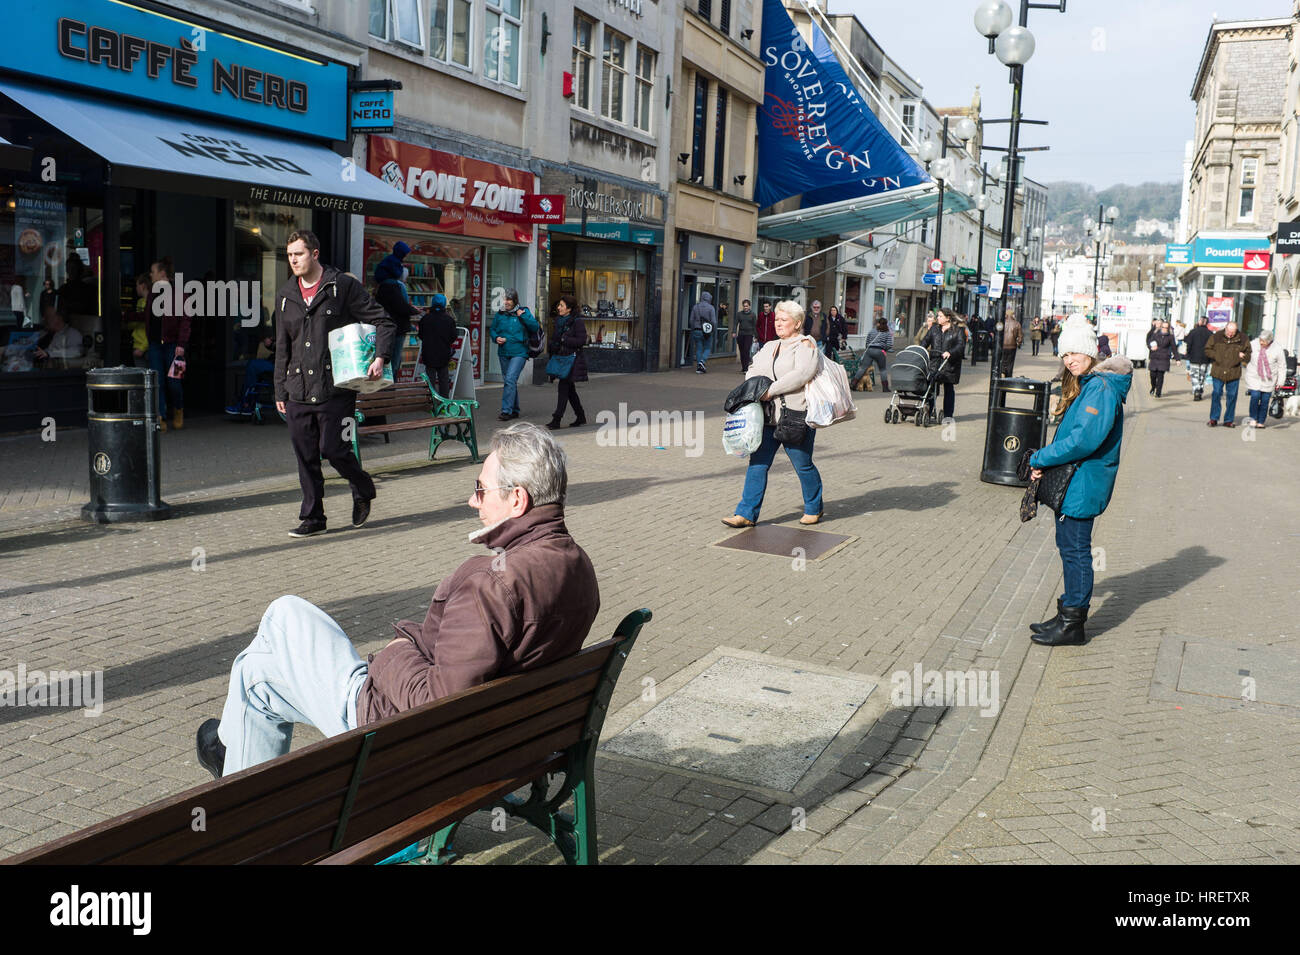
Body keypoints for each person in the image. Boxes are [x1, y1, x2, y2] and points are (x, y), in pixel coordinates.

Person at [194, 422, 600, 778]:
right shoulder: (578, 565)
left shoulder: (491, 586)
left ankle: (230, 765)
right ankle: (228, 754)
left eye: (480, 488)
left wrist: (394, 652)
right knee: (256, 676)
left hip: (403, 736)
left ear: (517, 499)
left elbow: (437, 704)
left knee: (284, 614)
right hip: (504, 738)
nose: (472, 501)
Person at [273, 229, 395, 538]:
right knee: (306, 456)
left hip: (335, 388)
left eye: (298, 254)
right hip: (297, 389)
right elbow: (282, 346)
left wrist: (380, 356)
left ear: (314, 254)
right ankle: (313, 517)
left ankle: (363, 487)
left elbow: (383, 320)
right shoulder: (286, 295)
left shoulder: (342, 286)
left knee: (334, 449)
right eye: (289, 255)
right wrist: (279, 389)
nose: (293, 260)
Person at [1027, 315, 1132, 647]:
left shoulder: (1100, 389)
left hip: (1083, 484)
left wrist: (1040, 458)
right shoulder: (1091, 384)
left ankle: (1073, 625)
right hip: (1075, 482)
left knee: (1075, 551)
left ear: (1091, 352)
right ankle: (1066, 614)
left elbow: (1083, 442)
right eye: (1065, 355)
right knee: (1068, 548)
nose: (1070, 360)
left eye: (1075, 353)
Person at [722, 299, 824, 528]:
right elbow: (753, 370)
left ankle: (814, 507)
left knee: (802, 464)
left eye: (783, 320)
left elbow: (801, 375)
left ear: (797, 323)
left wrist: (770, 390)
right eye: (776, 319)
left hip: (795, 415)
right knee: (757, 463)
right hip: (766, 416)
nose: (778, 323)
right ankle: (746, 513)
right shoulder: (769, 346)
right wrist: (756, 388)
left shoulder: (806, 344)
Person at [146, 257, 190, 431]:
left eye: (153, 271)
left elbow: (186, 320)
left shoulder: (179, 293)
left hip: (174, 345)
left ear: (162, 274)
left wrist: (182, 343)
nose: (150, 275)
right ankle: (160, 416)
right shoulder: (152, 293)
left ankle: (178, 408)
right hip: (155, 344)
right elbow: (149, 317)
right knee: (158, 382)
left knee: (174, 382)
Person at [490, 288, 539, 420]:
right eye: (504, 299)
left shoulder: (524, 311)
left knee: (510, 379)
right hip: (504, 351)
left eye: (508, 299)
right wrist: (496, 338)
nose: (506, 302)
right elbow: (493, 330)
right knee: (509, 381)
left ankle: (506, 411)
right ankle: (515, 410)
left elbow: (535, 327)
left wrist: (522, 315)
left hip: (520, 352)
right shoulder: (500, 314)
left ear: (514, 300)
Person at [373, 241, 421, 369]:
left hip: (389, 326)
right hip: (396, 327)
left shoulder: (383, 286)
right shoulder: (393, 286)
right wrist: (414, 310)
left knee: (392, 358)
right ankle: (391, 386)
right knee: (394, 360)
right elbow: (400, 306)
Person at [546, 294, 588, 429]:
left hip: (572, 360)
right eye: (559, 305)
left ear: (569, 309)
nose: (558, 308)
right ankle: (581, 416)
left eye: (561, 306)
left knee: (563, 388)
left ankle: (556, 419)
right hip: (561, 359)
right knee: (570, 391)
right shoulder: (559, 321)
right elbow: (556, 339)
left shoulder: (577, 322)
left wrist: (565, 340)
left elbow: (582, 340)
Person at [1204, 320, 1251, 428]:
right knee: (1216, 393)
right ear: (1225, 329)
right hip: (1218, 370)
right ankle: (1213, 418)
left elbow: (1249, 355)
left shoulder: (1243, 338)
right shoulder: (1216, 336)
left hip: (1233, 371)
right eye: (1229, 332)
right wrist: (1217, 356)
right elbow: (1207, 350)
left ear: (1236, 330)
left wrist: (1243, 356)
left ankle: (1228, 420)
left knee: (1232, 396)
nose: (1230, 334)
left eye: (1233, 332)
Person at [922, 307, 966, 421]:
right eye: (938, 316)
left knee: (948, 389)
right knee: (931, 386)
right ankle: (928, 410)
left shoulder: (957, 331)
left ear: (948, 318)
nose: (938, 318)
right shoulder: (934, 329)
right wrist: (920, 351)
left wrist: (950, 352)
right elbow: (925, 341)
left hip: (949, 365)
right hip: (935, 363)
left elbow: (960, 346)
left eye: (940, 316)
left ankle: (948, 415)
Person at [1242, 329, 1285, 428]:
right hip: (1254, 376)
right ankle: (1253, 418)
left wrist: (1280, 381)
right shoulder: (1253, 344)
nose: (1261, 342)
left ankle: (1261, 421)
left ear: (1270, 341)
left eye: (1264, 341)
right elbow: (1245, 353)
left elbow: (1282, 366)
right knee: (1255, 396)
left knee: (1265, 400)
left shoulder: (1277, 349)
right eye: (1260, 340)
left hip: (1269, 378)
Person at [418, 292, 458, 397]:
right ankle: (443, 403)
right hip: (443, 353)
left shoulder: (425, 319)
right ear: (444, 304)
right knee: (443, 379)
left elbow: (420, 335)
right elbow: (453, 336)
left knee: (430, 379)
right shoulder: (449, 320)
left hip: (428, 353)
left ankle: (431, 401)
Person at [853, 316, 893, 391]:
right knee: (882, 370)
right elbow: (889, 345)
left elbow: (867, 342)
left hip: (870, 350)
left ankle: (853, 383)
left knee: (863, 368)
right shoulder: (887, 333)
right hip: (880, 351)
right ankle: (885, 387)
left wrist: (869, 348)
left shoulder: (872, 331)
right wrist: (884, 348)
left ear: (878, 324)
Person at [1145, 320, 1177, 398]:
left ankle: (1158, 392)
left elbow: (1174, 348)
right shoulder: (1156, 334)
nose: (1164, 329)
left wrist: (1177, 359)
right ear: (1161, 327)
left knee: (1160, 376)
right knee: (1152, 375)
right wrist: (1151, 347)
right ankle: (1153, 387)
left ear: (1168, 328)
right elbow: (1149, 342)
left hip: (1164, 358)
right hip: (1154, 357)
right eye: (1163, 327)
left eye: (1166, 327)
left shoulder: (1170, 337)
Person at [1184, 316, 1212, 401]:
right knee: (1202, 375)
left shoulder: (1193, 332)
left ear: (1199, 322)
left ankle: (1197, 389)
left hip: (1194, 357)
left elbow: (1188, 344)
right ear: (1207, 323)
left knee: (1195, 374)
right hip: (1205, 358)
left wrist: (1188, 354)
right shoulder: (1210, 333)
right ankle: (1200, 388)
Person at [689, 291, 716, 373]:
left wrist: (693, 328)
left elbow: (691, 320)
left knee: (698, 349)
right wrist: (713, 330)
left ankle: (699, 367)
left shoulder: (695, 307)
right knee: (707, 348)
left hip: (697, 330)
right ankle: (702, 361)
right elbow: (714, 321)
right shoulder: (711, 308)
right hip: (707, 331)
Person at [735, 298, 756, 373]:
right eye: (744, 306)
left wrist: (755, 336)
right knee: (742, 351)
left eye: (746, 306)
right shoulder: (739, 314)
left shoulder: (753, 315)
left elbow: (754, 326)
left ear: (749, 306)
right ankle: (743, 367)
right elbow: (736, 323)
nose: (745, 307)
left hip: (749, 335)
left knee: (746, 350)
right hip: (741, 334)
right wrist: (734, 332)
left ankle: (746, 368)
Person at [1001, 308, 1023, 377]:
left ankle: (1002, 372)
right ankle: (1008, 376)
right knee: (1010, 362)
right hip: (1012, 346)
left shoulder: (1002, 323)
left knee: (1003, 361)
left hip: (1003, 345)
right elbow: (1020, 336)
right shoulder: (1017, 323)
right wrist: (1018, 344)